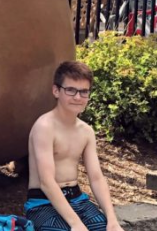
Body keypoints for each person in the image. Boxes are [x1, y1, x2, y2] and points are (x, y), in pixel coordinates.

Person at [24, 61, 124, 231]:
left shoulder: (86, 131)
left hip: (78, 200)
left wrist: (112, 219)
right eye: (70, 90)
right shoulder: (45, 127)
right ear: (56, 91)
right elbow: (46, 182)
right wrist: (76, 224)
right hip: (42, 203)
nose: (77, 97)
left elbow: (96, 178)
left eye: (83, 92)